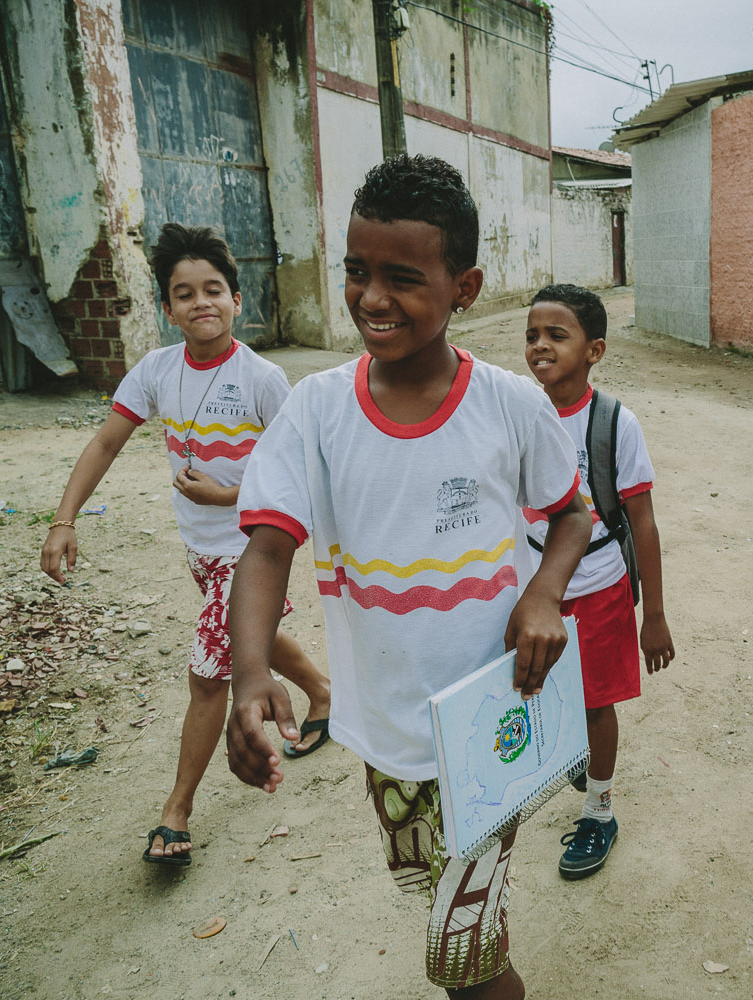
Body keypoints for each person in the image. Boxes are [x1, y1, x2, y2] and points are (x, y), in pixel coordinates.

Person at [224, 154, 592, 1000]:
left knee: (463, 957)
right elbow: (267, 548)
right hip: (386, 729)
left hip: (494, 722)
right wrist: (251, 676)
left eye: (402, 277)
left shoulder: (509, 404)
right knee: (442, 905)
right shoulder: (316, 411)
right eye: (357, 271)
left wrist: (544, 593)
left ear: (464, 288)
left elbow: (570, 514)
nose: (372, 298)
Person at [40, 223, 331, 867]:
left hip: (252, 550)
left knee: (209, 677)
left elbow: (297, 473)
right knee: (250, 637)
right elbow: (106, 441)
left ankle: (176, 812)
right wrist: (64, 519)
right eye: (185, 293)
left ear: (235, 300)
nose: (202, 302)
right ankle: (325, 693)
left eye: (214, 290)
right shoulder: (156, 371)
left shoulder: (261, 378)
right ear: (168, 308)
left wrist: (227, 498)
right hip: (198, 547)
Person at [520, 283, 675, 880]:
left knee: (595, 703)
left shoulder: (613, 423)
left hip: (601, 585)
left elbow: (644, 523)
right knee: (540, 691)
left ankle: (599, 811)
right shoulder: (516, 411)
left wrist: (653, 614)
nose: (540, 346)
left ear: (595, 350)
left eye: (557, 336)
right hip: (535, 588)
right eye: (532, 334)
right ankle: (580, 759)